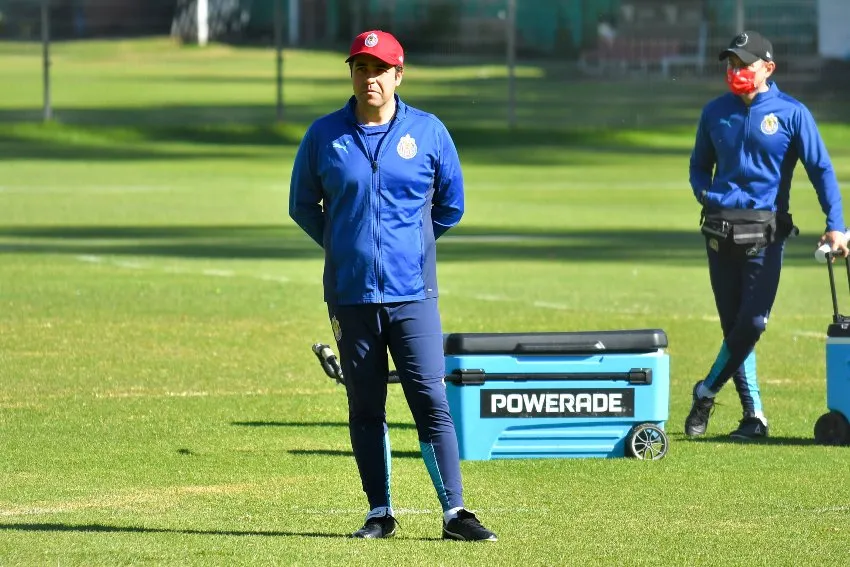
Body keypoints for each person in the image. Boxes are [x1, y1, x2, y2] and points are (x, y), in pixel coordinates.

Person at [289, 30, 497, 541]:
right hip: (350, 295)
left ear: (398, 75)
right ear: (351, 74)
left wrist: (411, 246)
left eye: (380, 69)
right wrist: (344, 246)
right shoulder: (324, 135)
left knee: (431, 400)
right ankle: (379, 513)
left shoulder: (428, 132)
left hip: (413, 296)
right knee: (365, 405)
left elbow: (451, 205)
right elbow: (302, 206)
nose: (370, 78)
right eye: (361, 68)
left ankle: (455, 514)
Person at [685, 30, 848, 440]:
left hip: (765, 233)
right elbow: (698, 167)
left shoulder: (792, 113)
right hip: (719, 231)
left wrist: (836, 225)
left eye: (744, 64)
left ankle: (706, 392)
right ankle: (753, 418)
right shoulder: (714, 112)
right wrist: (708, 195)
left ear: (768, 68)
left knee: (753, 322)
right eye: (730, 63)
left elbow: (821, 170)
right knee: (734, 328)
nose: (735, 70)